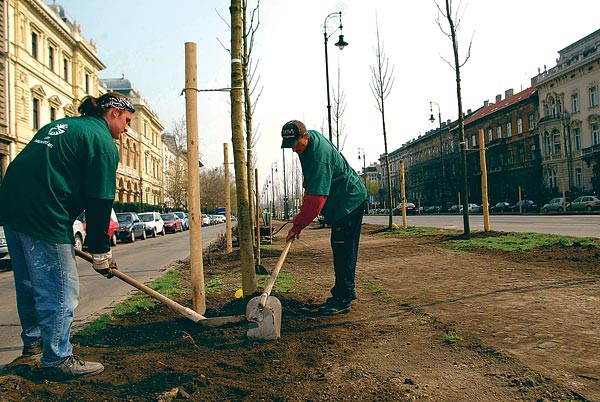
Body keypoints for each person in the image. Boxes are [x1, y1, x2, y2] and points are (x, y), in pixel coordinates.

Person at [0, 92, 134, 380]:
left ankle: (33, 347)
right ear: (113, 114)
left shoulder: (63, 126)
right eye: (126, 121)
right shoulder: (103, 144)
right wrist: (101, 253)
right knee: (61, 288)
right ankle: (58, 358)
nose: (126, 129)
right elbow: (99, 202)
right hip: (44, 211)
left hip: (11, 204)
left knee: (29, 283)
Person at [281, 120, 367, 315]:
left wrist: (298, 226)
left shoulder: (319, 156)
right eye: (290, 146)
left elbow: (316, 200)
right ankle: (342, 293)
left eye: (296, 144)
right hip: (341, 201)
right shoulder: (308, 142)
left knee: (343, 248)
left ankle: (343, 298)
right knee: (340, 246)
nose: (294, 150)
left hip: (348, 201)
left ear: (305, 137)